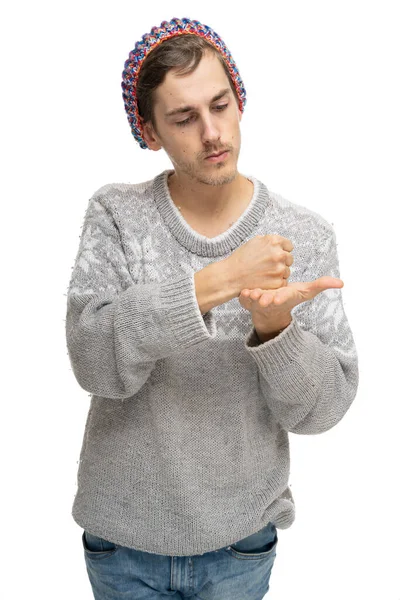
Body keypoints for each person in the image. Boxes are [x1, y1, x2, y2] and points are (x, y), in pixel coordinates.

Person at [66, 16, 359, 600]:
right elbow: (94, 362)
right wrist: (215, 281)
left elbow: (325, 409)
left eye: (221, 105)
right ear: (149, 131)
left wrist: (276, 331)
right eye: (184, 118)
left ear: (240, 101)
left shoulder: (303, 233)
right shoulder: (117, 216)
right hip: (124, 542)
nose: (212, 132)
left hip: (240, 541)